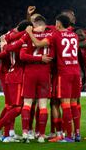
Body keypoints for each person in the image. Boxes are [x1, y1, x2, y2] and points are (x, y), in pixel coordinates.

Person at [26, 14, 81, 143]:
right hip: (76, 72)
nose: (55, 25)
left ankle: (68, 136)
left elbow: (38, 44)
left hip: (64, 73)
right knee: (74, 104)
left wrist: (29, 32)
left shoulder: (56, 35)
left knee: (65, 105)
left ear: (59, 24)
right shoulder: (75, 36)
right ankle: (77, 134)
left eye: (56, 23)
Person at [0, 20, 32, 143]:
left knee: (11, 107)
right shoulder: (21, 41)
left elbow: (13, 35)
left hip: (12, 74)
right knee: (17, 108)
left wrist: (5, 44)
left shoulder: (12, 37)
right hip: (16, 76)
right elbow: (6, 55)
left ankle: (7, 135)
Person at [19, 15, 53, 143]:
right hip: (44, 73)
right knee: (43, 106)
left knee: (27, 104)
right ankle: (41, 135)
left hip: (30, 72)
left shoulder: (27, 35)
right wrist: (41, 58)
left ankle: (25, 133)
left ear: (34, 24)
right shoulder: (50, 35)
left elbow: (22, 56)